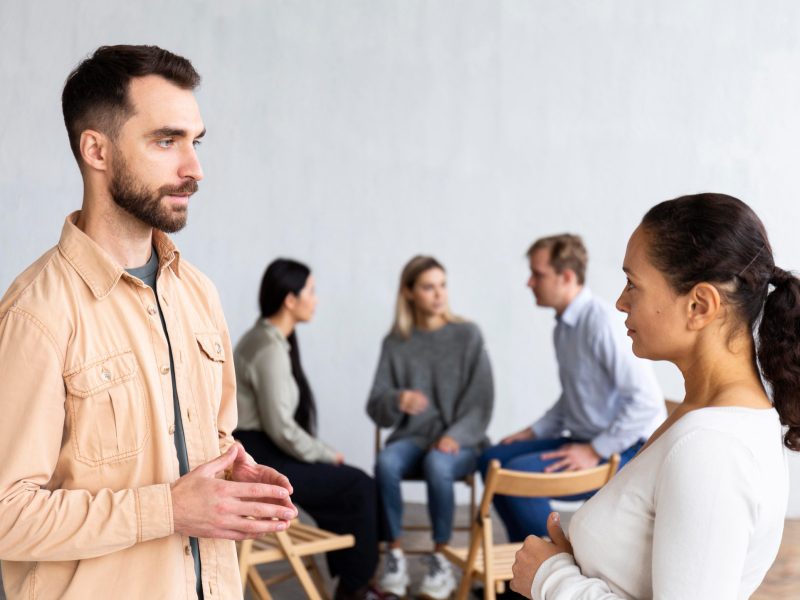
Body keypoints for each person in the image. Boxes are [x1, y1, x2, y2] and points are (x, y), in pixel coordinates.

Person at [0, 45, 297, 600]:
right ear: (97, 150)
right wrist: (169, 509)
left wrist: (234, 475)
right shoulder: (35, 314)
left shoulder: (199, 293)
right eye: (167, 141)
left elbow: (210, 442)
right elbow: (6, 516)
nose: (194, 168)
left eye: (195, 141)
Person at [510, 193, 793, 599]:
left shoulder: (712, 448)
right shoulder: (699, 416)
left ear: (699, 305)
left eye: (632, 283)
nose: (620, 302)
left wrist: (550, 578)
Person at [478, 234, 665, 541]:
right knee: (491, 459)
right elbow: (574, 398)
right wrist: (533, 431)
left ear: (566, 277)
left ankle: (550, 571)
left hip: (625, 449)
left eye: (537, 274)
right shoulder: (565, 328)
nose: (529, 283)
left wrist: (595, 450)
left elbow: (646, 402)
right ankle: (521, 566)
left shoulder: (601, 323)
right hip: (584, 439)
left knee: (516, 477)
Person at [233, 258, 385, 600]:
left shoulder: (267, 339)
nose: (316, 300)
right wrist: (327, 453)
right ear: (290, 299)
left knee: (351, 485)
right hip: (262, 457)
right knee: (359, 486)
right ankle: (355, 587)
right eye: (311, 292)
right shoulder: (268, 349)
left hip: (262, 450)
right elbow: (282, 429)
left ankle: (356, 579)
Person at [367, 255, 494, 599]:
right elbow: (376, 405)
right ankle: (394, 555)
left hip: (461, 441)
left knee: (438, 463)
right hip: (412, 437)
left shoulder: (467, 334)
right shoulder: (396, 342)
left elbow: (481, 402)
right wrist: (397, 400)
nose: (439, 294)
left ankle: (440, 560)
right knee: (386, 463)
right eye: (428, 287)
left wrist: (455, 436)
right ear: (409, 293)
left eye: (442, 285)